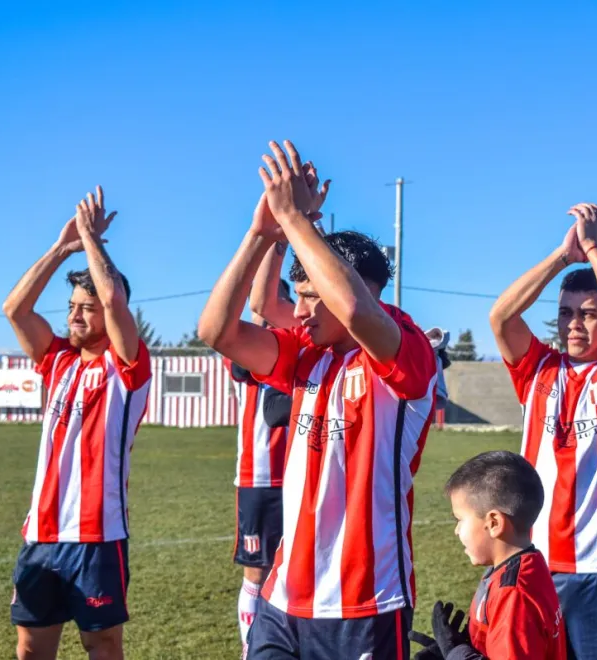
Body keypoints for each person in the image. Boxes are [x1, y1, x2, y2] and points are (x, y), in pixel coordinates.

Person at [197, 140, 438, 659]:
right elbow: (217, 331)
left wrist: (294, 218)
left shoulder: (407, 348)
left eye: (310, 296)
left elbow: (353, 309)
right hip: (283, 598)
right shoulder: (308, 352)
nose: (299, 311)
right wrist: (262, 234)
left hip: (365, 602)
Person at [488, 203, 597, 659]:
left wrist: (592, 249)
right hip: (537, 564)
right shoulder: (537, 369)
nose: (573, 324)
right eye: (566, 313)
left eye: (587, 314)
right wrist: (562, 257)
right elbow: (501, 317)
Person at [2, 187, 151, 660]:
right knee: (31, 647)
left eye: (86, 307)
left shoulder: (126, 365)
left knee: (101, 644)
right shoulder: (59, 360)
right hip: (41, 534)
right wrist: (61, 247)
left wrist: (92, 242)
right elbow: (15, 309)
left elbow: (114, 299)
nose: (74, 315)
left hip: (97, 535)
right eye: (71, 307)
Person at [410, 451, 566, 660]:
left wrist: (455, 652)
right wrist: (453, 650)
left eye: (459, 519)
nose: (456, 530)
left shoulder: (514, 594)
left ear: (494, 523)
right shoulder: (517, 568)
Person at [229, 280, 295, 658]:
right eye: (260, 309)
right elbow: (241, 366)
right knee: (257, 571)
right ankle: (250, 648)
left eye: (274, 304)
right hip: (259, 478)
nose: (266, 316)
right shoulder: (247, 347)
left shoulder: (302, 350)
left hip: (305, 477)